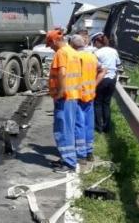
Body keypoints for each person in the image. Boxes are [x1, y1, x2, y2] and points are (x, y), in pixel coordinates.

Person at [46, 30, 82, 173]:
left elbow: (62, 73)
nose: (50, 48)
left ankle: (69, 163)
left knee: (63, 130)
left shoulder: (61, 53)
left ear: (54, 41)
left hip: (65, 97)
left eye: (49, 44)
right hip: (73, 96)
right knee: (69, 128)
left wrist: (60, 92)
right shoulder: (72, 52)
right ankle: (67, 158)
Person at [69, 35, 105, 163]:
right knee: (88, 124)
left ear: (72, 45)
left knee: (79, 124)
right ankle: (89, 152)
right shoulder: (92, 56)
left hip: (78, 95)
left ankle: (81, 154)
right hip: (90, 94)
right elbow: (103, 71)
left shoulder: (75, 57)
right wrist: (94, 84)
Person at [91, 32, 121, 133]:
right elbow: (118, 64)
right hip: (112, 79)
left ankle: (99, 127)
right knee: (106, 103)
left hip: (101, 78)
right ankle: (107, 127)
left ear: (97, 42)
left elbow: (94, 67)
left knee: (98, 102)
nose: (94, 45)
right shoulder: (114, 51)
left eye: (94, 42)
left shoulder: (97, 53)